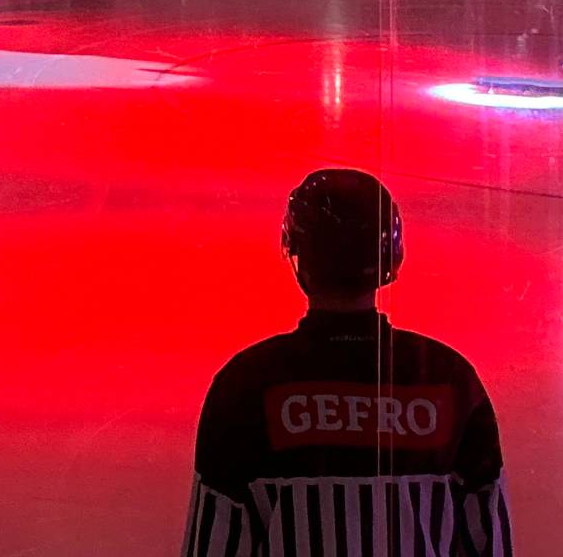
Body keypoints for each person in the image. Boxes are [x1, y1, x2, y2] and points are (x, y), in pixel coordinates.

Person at [185, 169, 514, 557]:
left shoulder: (243, 386)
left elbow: (214, 545)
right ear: (389, 259)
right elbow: (488, 541)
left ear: (300, 260)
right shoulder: (451, 380)